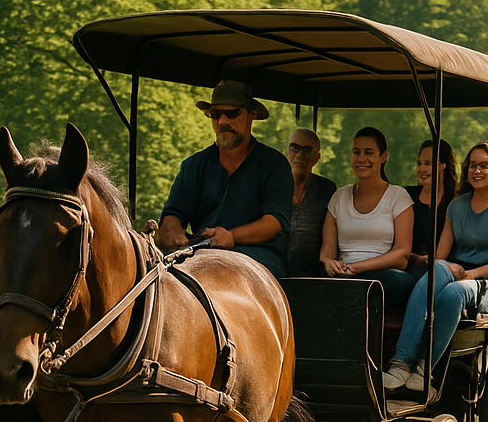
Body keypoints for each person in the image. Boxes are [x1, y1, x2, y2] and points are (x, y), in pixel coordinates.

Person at [384, 142, 488, 392]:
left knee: (454, 293)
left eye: (484, 165)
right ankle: (401, 364)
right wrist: (445, 267)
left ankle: (424, 369)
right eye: (472, 165)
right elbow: (440, 256)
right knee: (436, 270)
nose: (477, 171)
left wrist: (469, 274)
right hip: (459, 272)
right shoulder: (457, 205)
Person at [158, 80, 293, 277]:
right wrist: (174, 234)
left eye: (231, 113)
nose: (222, 121)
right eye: (215, 115)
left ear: (251, 115)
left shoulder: (274, 164)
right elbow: (172, 214)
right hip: (201, 253)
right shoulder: (194, 165)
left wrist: (231, 236)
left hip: (259, 257)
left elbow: (273, 222)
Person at [319, 127, 415, 309]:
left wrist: (356, 268)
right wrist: (328, 262)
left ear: (383, 157)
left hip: (385, 276)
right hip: (345, 275)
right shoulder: (339, 196)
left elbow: (401, 256)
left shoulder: (398, 196)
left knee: (375, 284)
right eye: (356, 152)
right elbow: (327, 250)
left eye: (368, 152)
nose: (361, 158)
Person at [403, 139, 458, 277]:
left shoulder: (456, 201)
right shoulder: (406, 196)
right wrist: (414, 258)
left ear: (443, 165)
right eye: (419, 163)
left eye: (428, 163)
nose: (421, 169)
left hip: (444, 270)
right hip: (408, 266)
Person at [285, 127, 335, 278]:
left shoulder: (326, 189)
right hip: (274, 264)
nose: (300, 155)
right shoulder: (273, 186)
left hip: (313, 270)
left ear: (317, 158)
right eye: (295, 148)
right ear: (287, 152)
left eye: (307, 150)